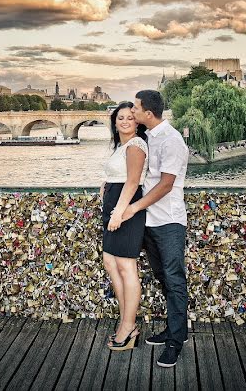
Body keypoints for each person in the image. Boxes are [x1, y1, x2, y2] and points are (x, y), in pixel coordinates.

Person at [120, 90, 189, 368]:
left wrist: (134, 208)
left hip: (169, 222)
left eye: (135, 108)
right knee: (162, 276)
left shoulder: (172, 140)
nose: (132, 112)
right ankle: (175, 330)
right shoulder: (149, 138)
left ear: (148, 113)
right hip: (151, 221)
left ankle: (176, 341)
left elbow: (165, 185)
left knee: (174, 280)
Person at [100, 101, 148, 351]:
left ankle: (128, 327)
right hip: (114, 205)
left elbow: (132, 183)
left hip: (125, 207)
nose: (125, 121)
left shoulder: (136, 145)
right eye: (121, 118)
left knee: (126, 266)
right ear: (114, 121)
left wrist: (119, 213)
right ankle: (125, 320)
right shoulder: (121, 146)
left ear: (138, 122)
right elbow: (117, 176)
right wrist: (105, 185)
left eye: (130, 117)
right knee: (111, 262)